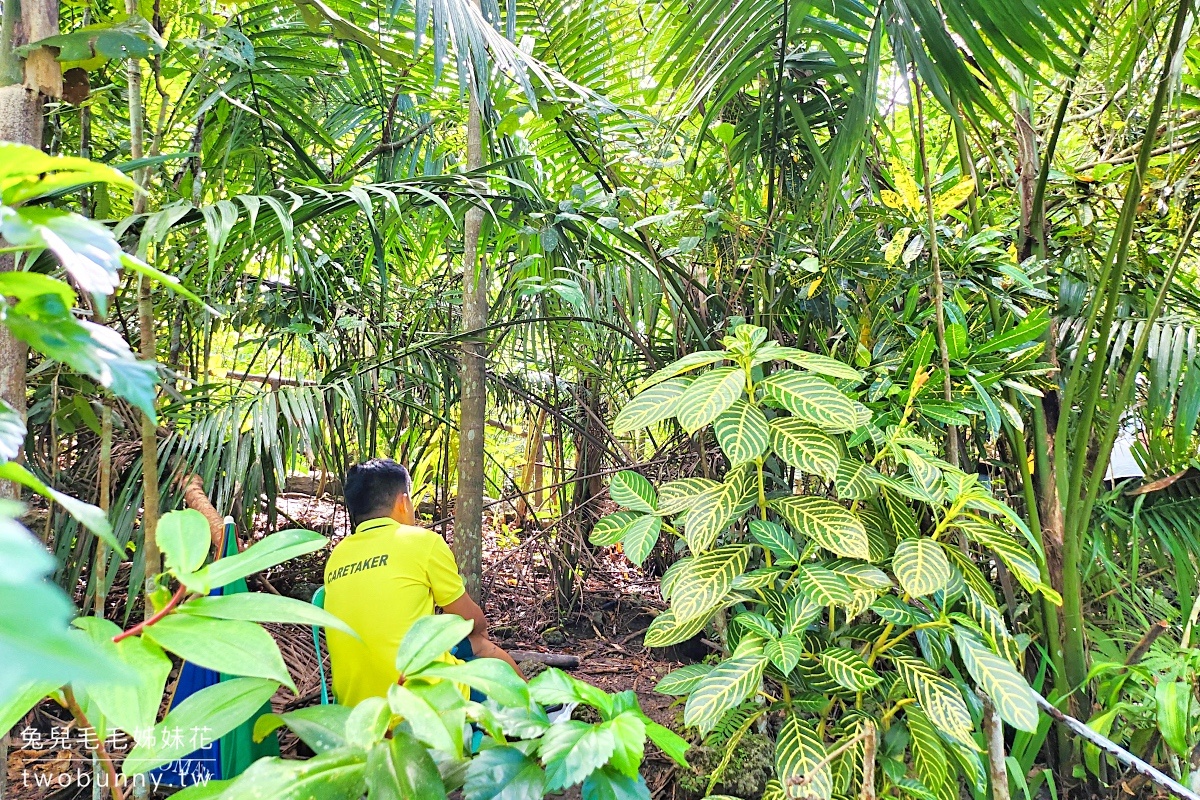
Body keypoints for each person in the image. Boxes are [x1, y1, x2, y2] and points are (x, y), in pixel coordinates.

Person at [322, 458, 523, 706]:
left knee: (464, 643)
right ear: (403, 502)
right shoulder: (421, 542)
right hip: (422, 700)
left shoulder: (337, 556)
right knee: (480, 644)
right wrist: (481, 629)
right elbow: (470, 620)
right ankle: (532, 711)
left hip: (356, 709)